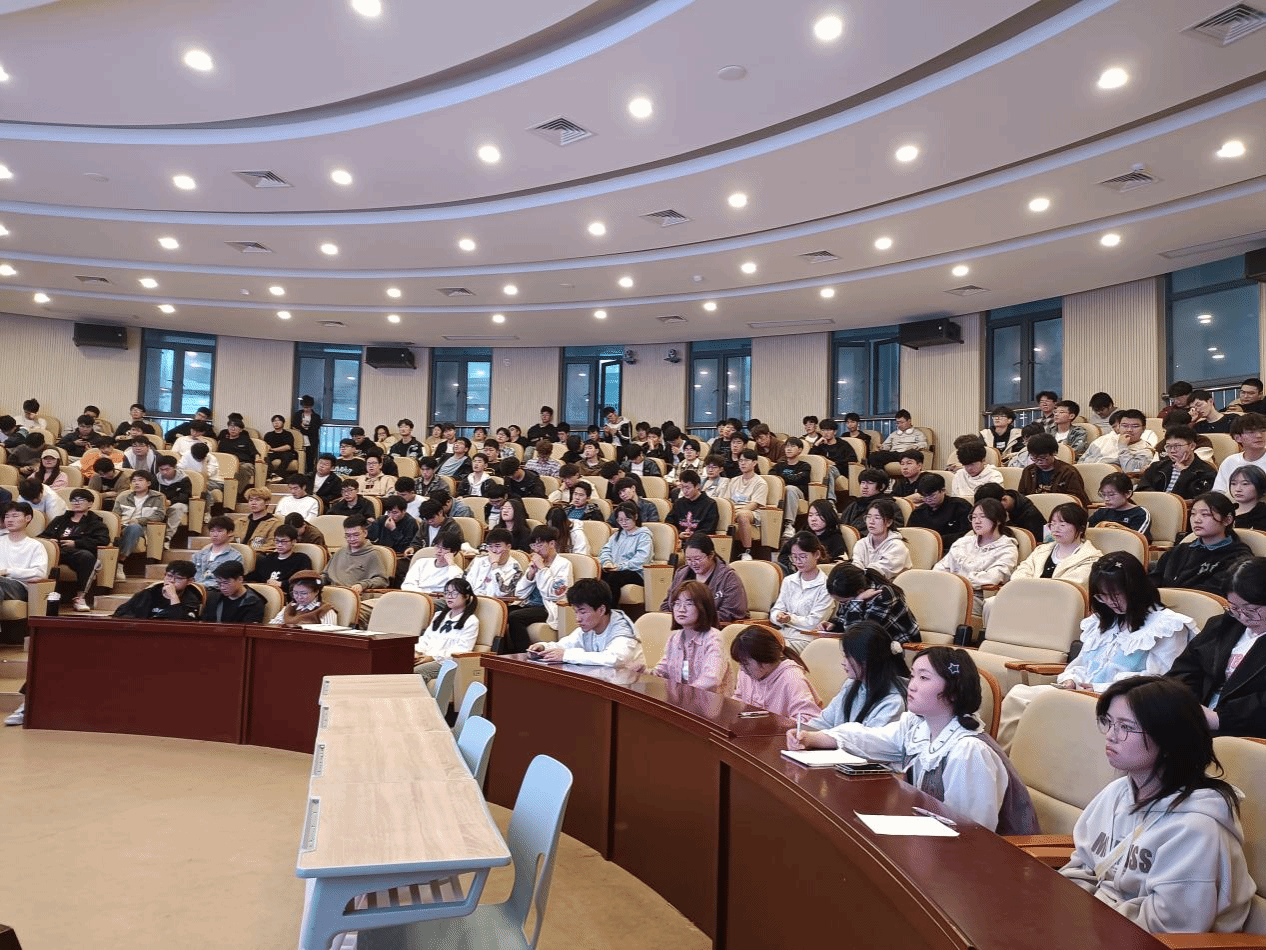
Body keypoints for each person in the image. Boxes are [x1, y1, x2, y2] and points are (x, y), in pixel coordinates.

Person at [1059, 676, 1253, 934]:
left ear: (1169, 740)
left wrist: (1086, 924)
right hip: (1097, 926)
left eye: (1126, 727)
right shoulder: (1117, 792)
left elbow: (1168, 927)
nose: (1111, 736)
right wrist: (1064, 912)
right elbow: (1082, 868)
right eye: (1109, 722)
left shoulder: (1196, 827)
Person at [789, 647, 1037, 833]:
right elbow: (869, 738)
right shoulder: (917, 726)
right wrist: (815, 737)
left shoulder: (968, 751)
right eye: (913, 675)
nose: (912, 686)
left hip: (977, 864)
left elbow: (971, 832)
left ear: (953, 690)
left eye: (924, 678)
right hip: (934, 843)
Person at [998, 553, 1196, 749]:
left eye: (1115, 594)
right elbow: (1082, 664)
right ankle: (1006, 760)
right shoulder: (1105, 621)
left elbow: (1159, 681)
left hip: (1123, 704)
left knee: (1048, 712)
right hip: (1081, 693)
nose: (1110, 602)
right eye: (1102, 596)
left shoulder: (1167, 626)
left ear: (1135, 588)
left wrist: (1100, 688)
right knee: (1018, 696)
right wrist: (1071, 680)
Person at [804, 621, 908, 731]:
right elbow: (824, 722)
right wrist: (802, 732)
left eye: (848, 656)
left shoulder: (893, 702)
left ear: (867, 659)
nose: (843, 662)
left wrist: (820, 737)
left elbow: (867, 740)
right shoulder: (850, 685)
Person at [528, 577, 645, 667]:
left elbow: (613, 659)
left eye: (582, 612)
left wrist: (567, 655)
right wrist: (543, 647)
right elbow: (565, 645)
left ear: (601, 610)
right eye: (576, 612)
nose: (578, 618)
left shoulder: (623, 632)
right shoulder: (588, 628)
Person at [1150, 493, 1251, 596]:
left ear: (1227, 520)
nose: (1197, 520)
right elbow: (1153, 581)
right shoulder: (1179, 550)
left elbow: (1212, 593)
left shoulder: (1237, 556)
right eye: (1193, 514)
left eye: (1205, 514)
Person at [933, 498, 1019, 616]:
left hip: (976, 597)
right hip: (948, 590)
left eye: (983, 517)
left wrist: (958, 580)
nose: (977, 521)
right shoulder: (963, 542)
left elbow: (993, 577)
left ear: (998, 520)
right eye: (973, 517)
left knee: (940, 605)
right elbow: (940, 568)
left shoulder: (1007, 548)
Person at [651, 581, 733, 694]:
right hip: (682, 700)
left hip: (710, 702)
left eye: (689, 604)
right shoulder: (674, 638)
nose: (681, 609)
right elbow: (661, 673)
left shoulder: (713, 637)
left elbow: (711, 679)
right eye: (677, 603)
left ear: (703, 607)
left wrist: (683, 694)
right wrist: (640, 670)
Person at [730, 625, 822, 721]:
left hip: (781, 730)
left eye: (745, 664)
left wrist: (779, 725)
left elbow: (806, 719)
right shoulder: (746, 674)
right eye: (740, 663)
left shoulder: (792, 679)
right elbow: (739, 698)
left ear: (764, 661)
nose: (742, 669)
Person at [505, 525, 574, 653]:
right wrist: (530, 574)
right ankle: (501, 654)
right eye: (533, 545)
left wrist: (542, 569)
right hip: (529, 604)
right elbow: (519, 593)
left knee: (515, 617)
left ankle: (523, 654)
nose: (536, 550)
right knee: (502, 612)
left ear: (552, 543)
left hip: (547, 607)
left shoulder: (564, 564)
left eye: (540, 545)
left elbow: (556, 593)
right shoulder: (537, 562)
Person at [40, 488, 108, 612]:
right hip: (57, 551)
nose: (76, 503)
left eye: (81, 500)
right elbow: (43, 536)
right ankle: (41, 597)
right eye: (73, 500)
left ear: (90, 503)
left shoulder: (96, 523)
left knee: (87, 557)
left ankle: (80, 598)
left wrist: (76, 543)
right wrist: (50, 541)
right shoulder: (60, 519)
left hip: (77, 552)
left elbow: (102, 540)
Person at [823, 562, 920, 643]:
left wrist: (856, 602)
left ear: (860, 592)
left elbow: (857, 636)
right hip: (874, 646)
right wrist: (834, 626)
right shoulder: (849, 591)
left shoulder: (884, 595)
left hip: (901, 647)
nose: (842, 604)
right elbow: (845, 619)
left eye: (843, 602)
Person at [771, 532, 834, 651]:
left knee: (770, 651)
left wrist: (789, 619)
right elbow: (775, 611)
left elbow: (813, 623)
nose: (798, 561)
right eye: (794, 557)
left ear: (816, 554)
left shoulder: (825, 586)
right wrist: (778, 616)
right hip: (783, 635)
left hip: (807, 640)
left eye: (803, 556)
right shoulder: (788, 581)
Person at [1010, 502, 1102, 585]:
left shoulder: (1091, 559)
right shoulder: (1041, 550)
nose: (1055, 529)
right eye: (1053, 524)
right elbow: (1021, 572)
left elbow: (1068, 587)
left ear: (1081, 529)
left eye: (1062, 525)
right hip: (1027, 595)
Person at [413, 578, 480, 681]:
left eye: (454, 593)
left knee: (415, 672)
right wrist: (417, 652)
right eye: (447, 593)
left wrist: (433, 657)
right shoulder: (439, 616)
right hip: (427, 657)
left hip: (446, 662)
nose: (449, 596)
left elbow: (461, 651)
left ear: (466, 596)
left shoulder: (471, 621)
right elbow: (426, 639)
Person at [1137, 424, 1216, 499]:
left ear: (1192, 446)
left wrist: (1185, 473)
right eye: (1168, 446)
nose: (1172, 451)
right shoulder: (1157, 467)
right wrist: (1159, 500)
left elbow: (1201, 498)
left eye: (1177, 446)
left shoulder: (1206, 471)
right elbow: (1142, 489)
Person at [113, 471, 167, 578]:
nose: (136, 483)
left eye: (140, 480)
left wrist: (139, 520)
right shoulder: (123, 497)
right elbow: (115, 514)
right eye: (134, 481)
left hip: (144, 528)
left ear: (148, 483)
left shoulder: (157, 497)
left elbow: (160, 516)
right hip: (122, 526)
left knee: (134, 528)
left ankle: (120, 562)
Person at [598, 502, 654, 604]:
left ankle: (611, 609)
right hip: (616, 569)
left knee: (614, 578)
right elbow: (606, 550)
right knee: (598, 576)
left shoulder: (644, 535)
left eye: (627, 519)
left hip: (636, 572)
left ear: (635, 517)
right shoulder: (617, 535)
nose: (623, 523)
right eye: (620, 520)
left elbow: (642, 559)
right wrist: (607, 562)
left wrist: (620, 567)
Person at [112, 559, 201, 620]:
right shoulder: (149, 593)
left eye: (178, 578)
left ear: (190, 581)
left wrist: (173, 597)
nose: (171, 581)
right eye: (169, 576)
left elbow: (181, 624)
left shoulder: (192, 599)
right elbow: (120, 614)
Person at [777, 498, 846, 574]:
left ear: (828, 516)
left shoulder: (835, 538)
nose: (813, 519)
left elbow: (837, 562)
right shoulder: (803, 534)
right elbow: (783, 555)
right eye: (810, 515)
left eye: (818, 515)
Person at [849, 497, 912, 581]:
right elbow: (856, 567)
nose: (871, 521)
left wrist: (859, 575)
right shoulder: (861, 543)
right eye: (868, 517)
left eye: (877, 517)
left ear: (889, 522)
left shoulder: (897, 547)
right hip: (864, 584)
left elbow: (878, 573)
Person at [1018, 433, 1089, 505]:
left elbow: (1077, 500)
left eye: (1043, 458)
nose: (1039, 462)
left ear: (1054, 453)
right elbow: (1021, 497)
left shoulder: (1069, 472)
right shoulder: (1028, 471)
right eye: (1034, 458)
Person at [0, 502, 49, 608]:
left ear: (28, 518)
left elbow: (40, 573)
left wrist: (8, 571)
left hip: (20, 587)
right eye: (7, 516)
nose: (9, 520)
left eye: (15, 516)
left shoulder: (35, 546)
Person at [245, 524, 312, 598]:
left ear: (293, 541)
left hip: (288, 596)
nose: (279, 545)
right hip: (264, 595)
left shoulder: (301, 559)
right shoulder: (268, 559)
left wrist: (281, 584)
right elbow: (255, 575)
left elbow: (305, 580)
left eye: (283, 541)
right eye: (277, 541)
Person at [907, 473, 973, 548]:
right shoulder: (918, 512)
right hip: (925, 548)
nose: (928, 500)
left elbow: (968, 533)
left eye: (932, 496)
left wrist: (937, 540)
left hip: (954, 548)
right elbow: (911, 535)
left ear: (943, 491)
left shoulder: (960, 506)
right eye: (924, 496)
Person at [1082, 409, 1157, 474]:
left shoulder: (1145, 451)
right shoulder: (1103, 440)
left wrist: (1123, 447)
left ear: (1143, 429)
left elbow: (1131, 472)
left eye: (1135, 426)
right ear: (1119, 427)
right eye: (1125, 426)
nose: (1129, 430)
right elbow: (1082, 460)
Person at [769, 436, 812, 541]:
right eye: (787, 446)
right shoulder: (779, 466)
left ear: (800, 450)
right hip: (781, 492)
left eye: (792, 446)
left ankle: (789, 524)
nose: (788, 449)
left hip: (798, 493)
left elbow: (799, 479)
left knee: (790, 488)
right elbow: (772, 476)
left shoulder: (804, 466)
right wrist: (790, 478)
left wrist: (782, 477)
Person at [1214, 413, 1266, 496]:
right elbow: (1218, 493)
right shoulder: (1230, 461)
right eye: (1251, 432)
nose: (1259, 435)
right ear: (1237, 438)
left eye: (1263, 431)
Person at [1089, 472, 1153, 540]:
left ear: (1127, 494)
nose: (1106, 499)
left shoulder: (1140, 514)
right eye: (1103, 495)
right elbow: (1087, 532)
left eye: (1111, 495)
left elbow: (1137, 539)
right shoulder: (1101, 512)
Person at [200, 560, 266, 624]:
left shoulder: (253, 603)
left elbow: (248, 629)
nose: (222, 587)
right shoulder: (213, 598)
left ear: (240, 579)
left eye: (226, 583)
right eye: (219, 583)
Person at [465, 527, 523, 598]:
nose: (494, 550)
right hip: (472, 599)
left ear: (508, 547)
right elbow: (464, 583)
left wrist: (495, 566)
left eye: (497, 546)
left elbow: (502, 593)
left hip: (493, 602)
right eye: (490, 546)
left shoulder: (515, 569)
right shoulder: (478, 560)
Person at [665, 470, 719, 542]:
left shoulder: (710, 504)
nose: (684, 491)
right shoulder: (678, 503)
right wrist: (678, 534)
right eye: (682, 487)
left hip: (699, 542)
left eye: (687, 488)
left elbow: (709, 528)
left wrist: (693, 535)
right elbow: (669, 523)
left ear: (697, 486)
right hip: (680, 540)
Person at [270, 571, 339, 626]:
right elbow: (273, 626)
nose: (299, 597)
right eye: (295, 593)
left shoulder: (325, 610)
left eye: (304, 593)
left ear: (316, 592)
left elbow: (328, 635)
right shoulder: (290, 607)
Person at [238, 487, 280, 553]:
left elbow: (272, 544)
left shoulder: (275, 523)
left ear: (267, 502)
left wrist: (249, 553)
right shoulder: (239, 522)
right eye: (251, 500)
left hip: (259, 555)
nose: (253, 503)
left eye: (257, 500)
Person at [1228, 465, 1266, 532]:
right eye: (1233, 484)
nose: (1238, 489)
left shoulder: (1263, 514)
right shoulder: (1224, 511)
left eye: (1245, 484)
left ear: (1260, 486)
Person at [291, 396, 322, 475]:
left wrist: (301, 428)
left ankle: (309, 472)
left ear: (311, 406)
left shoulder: (316, 417)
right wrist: (302, 428)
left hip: (311, 439)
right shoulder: (298, 414)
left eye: (308, 407)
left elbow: (314, 430)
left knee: (310, 457)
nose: (306, 409)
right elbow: (294, 425)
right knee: (300, 456)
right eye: (304, 407)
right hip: (299, 439)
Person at [262, 414, 297, 481]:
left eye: (278, 421)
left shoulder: (288, 434)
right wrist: (268, 447)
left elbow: (288, 447)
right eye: (274, 421)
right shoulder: (268, 434)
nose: (276, 423)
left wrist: (274, 449)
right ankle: (272, 474)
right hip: (272, 453)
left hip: (285, 452)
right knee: (265, 457)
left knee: (288, 456)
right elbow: (265, 445)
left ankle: (278, 474)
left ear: (283, 423)